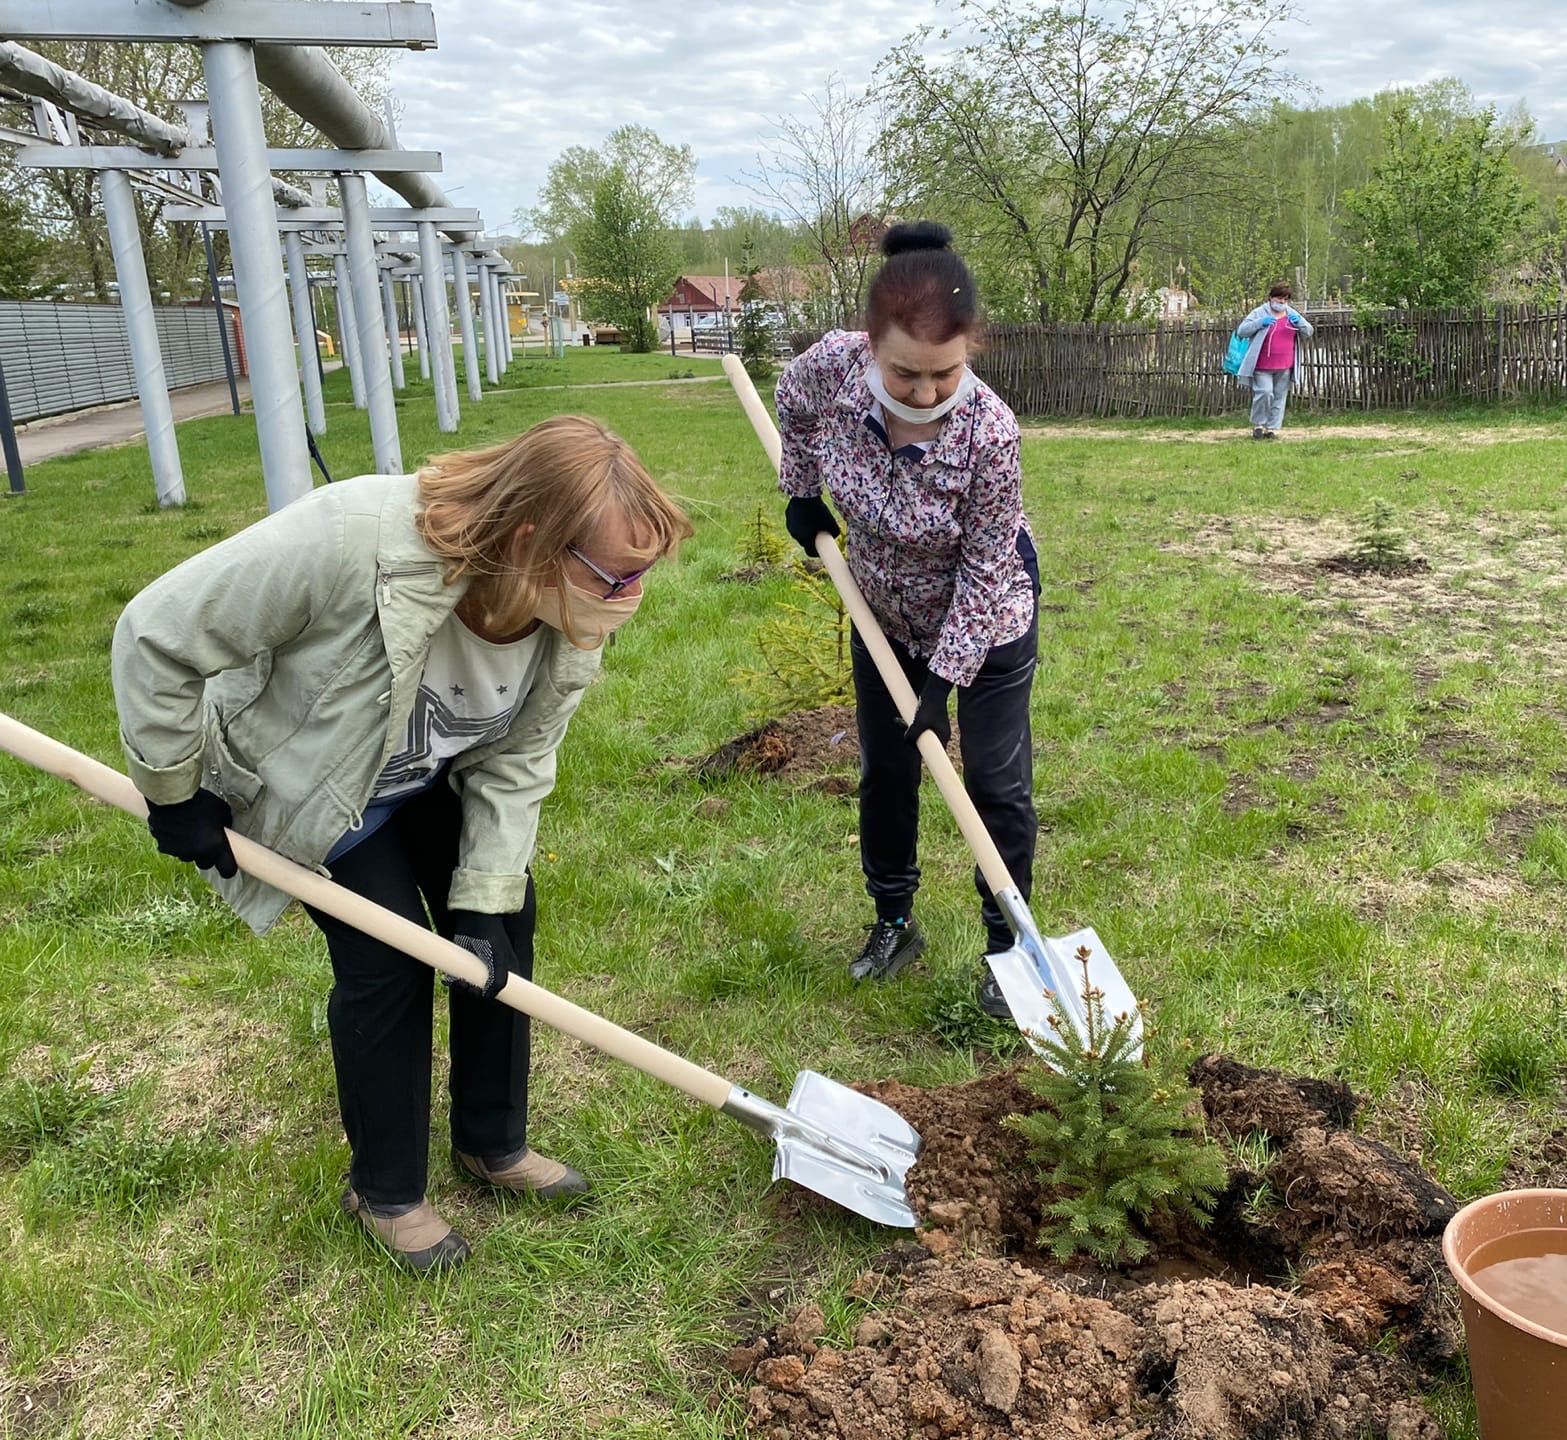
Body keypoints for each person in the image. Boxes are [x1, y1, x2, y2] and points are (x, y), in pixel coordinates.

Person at [111, 416, 692, 1271]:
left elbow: (519, 757)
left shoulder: (570, 618)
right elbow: (156, 632)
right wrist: (174, 792)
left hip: (419, 774)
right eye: (614, 575)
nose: (627, 600)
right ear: (531, 539)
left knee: (502, 921)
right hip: (316, 787)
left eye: (642, 577)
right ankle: (386, 1192)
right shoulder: (350, 539)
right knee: (388, 959)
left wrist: (482, 893)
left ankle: (491, 1142)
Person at [774, 221, 1040, 1019]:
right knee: (887, 772)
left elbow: (987, 565)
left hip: (986, 622)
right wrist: (800, 490)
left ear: (972, 349)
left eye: (945, 374)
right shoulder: (835, 367)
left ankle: (1010, 952)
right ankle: (894, 920)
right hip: (882, 607)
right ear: (869, 345)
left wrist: (942, 678)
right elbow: (790, 402)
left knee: (995, 784)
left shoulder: (991, 435)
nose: (925, 394)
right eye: (906, 373)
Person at [1233, 283, 1314, 439]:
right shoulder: (1259, 313)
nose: (1282, 302)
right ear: (1271, 298)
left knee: (1279, 396)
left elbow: (1308, 332)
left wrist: (1300, 322)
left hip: (1284, 364)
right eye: (1279, 298)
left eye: (1285, 299)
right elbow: (1241, 331)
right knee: (1264, 392)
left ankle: (1272, 429)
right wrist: (1259, 323)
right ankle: (1258, 425)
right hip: (1262, 365)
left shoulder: (1291, 314)